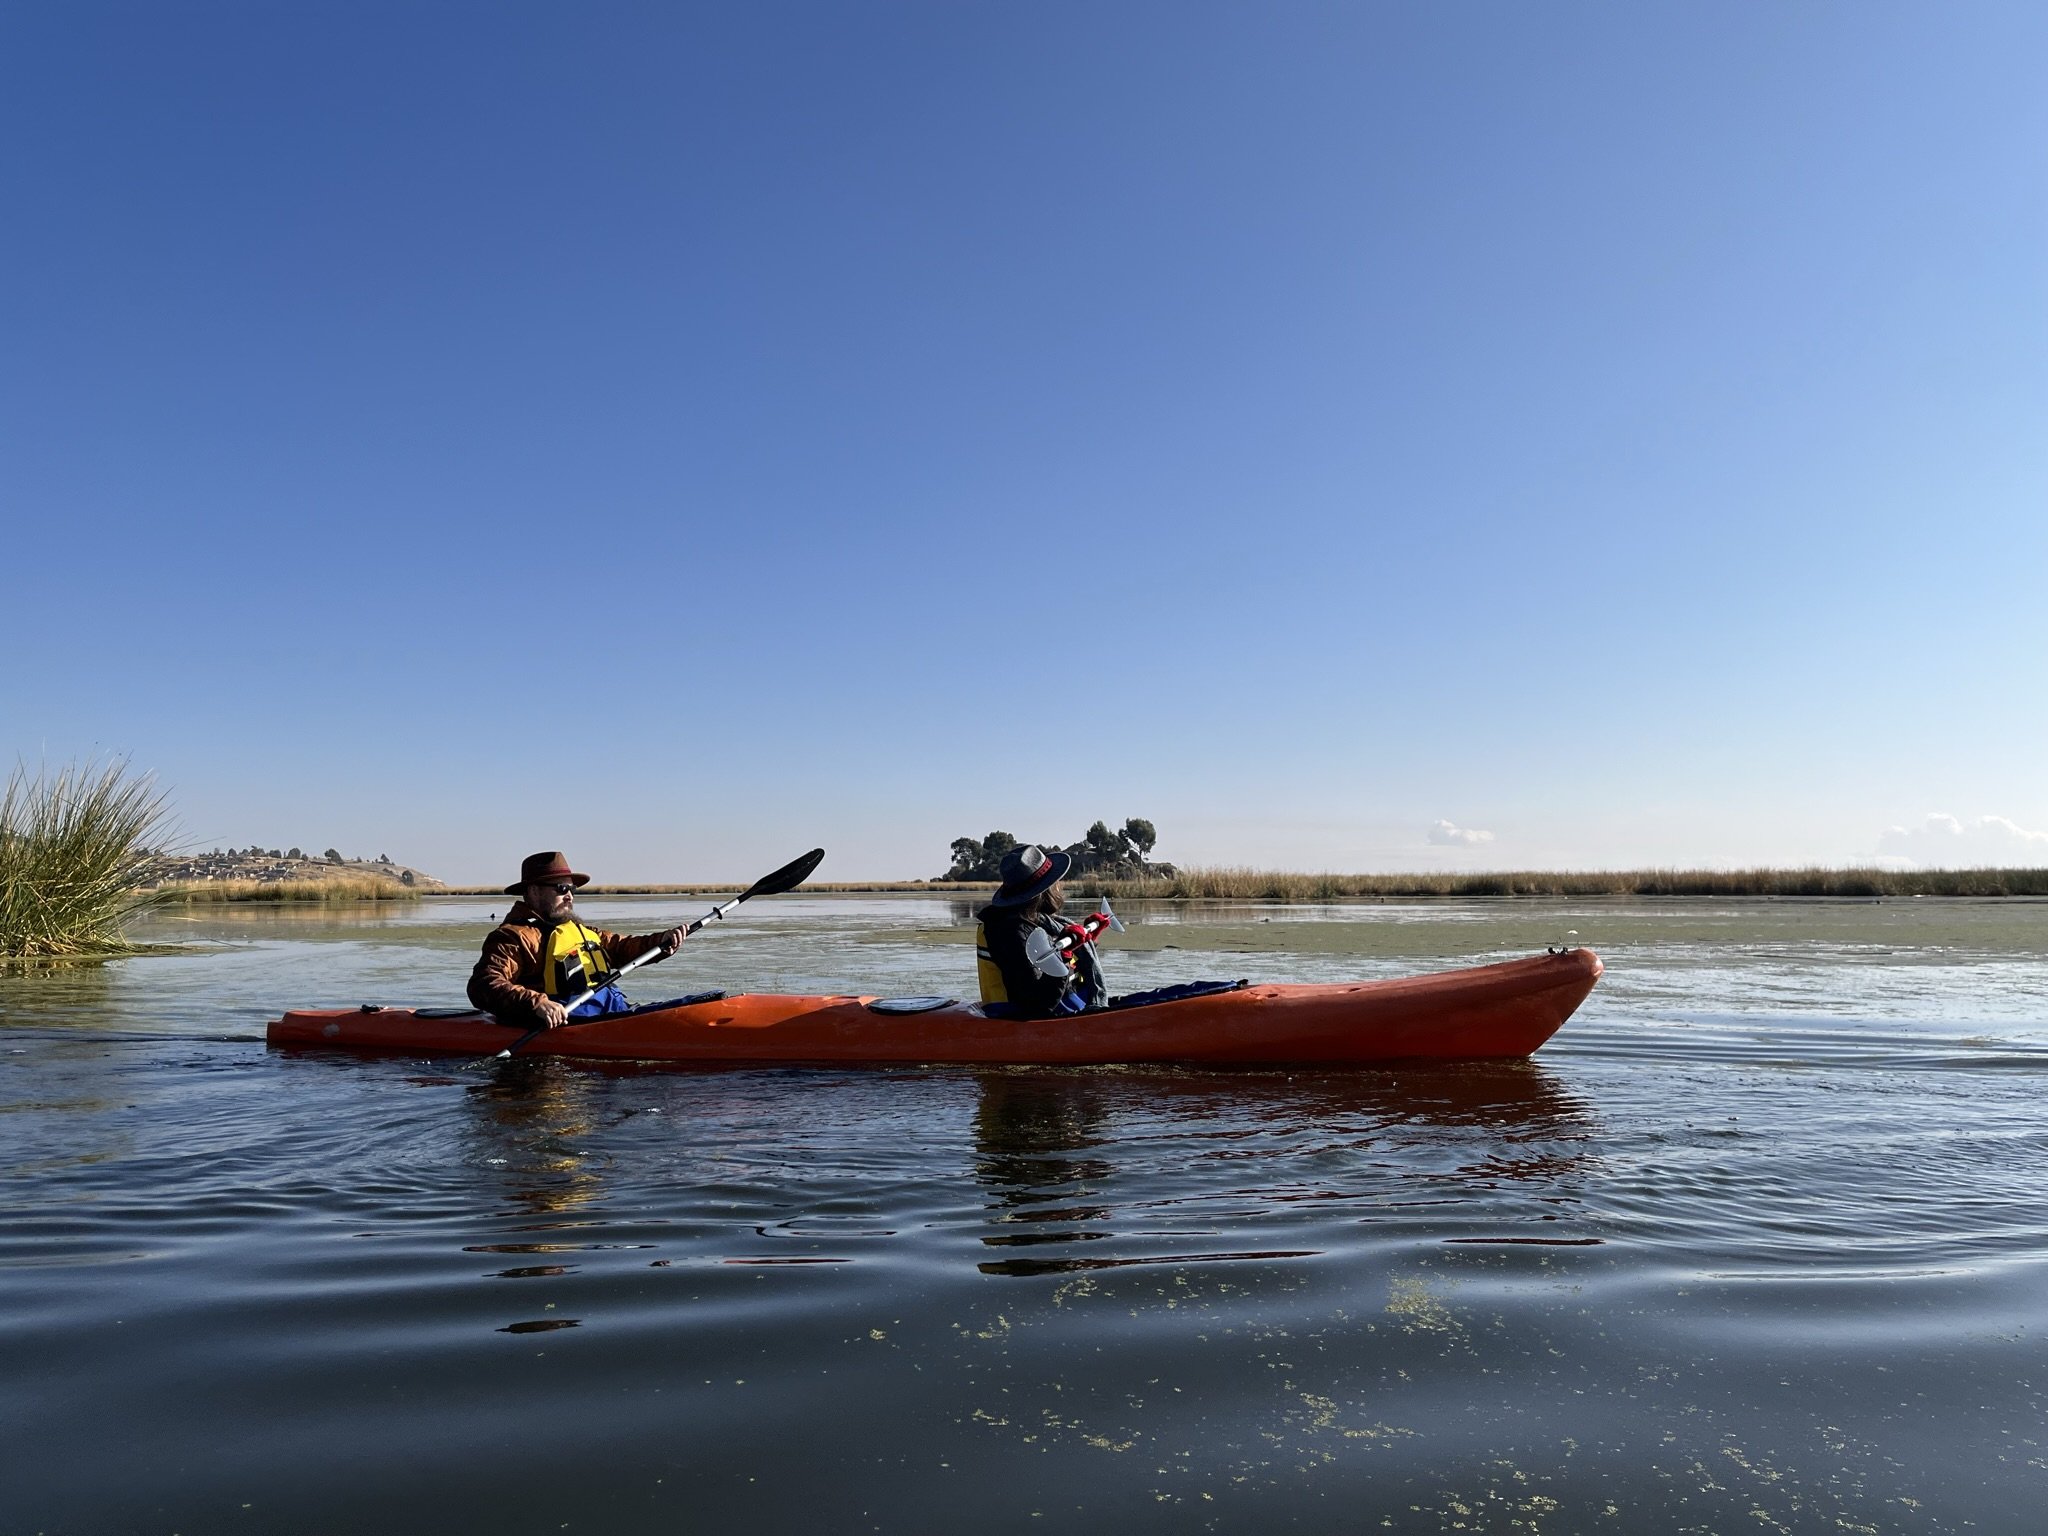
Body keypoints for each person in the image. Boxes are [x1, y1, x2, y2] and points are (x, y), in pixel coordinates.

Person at [468, 851, 686, 1030]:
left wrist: (663, 942)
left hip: (608, 1014)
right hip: (562, 1023)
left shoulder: (580, 931)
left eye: (572, 889)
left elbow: (621, 947)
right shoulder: (513, 937)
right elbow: (483, 984)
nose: (570, 896)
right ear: (534, 891)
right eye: (561, 889)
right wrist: (537, 1003)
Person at [974, 845, 1108, 1018]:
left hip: (1047, 1010)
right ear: (1044, 890)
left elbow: (1061, 980)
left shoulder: (1029, 923)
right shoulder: (1013, 933)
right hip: (1015, 1021)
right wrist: (1063, 955)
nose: (1059, 887)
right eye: (1055, 881)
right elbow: (1037, 1005)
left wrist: (1085, 944)